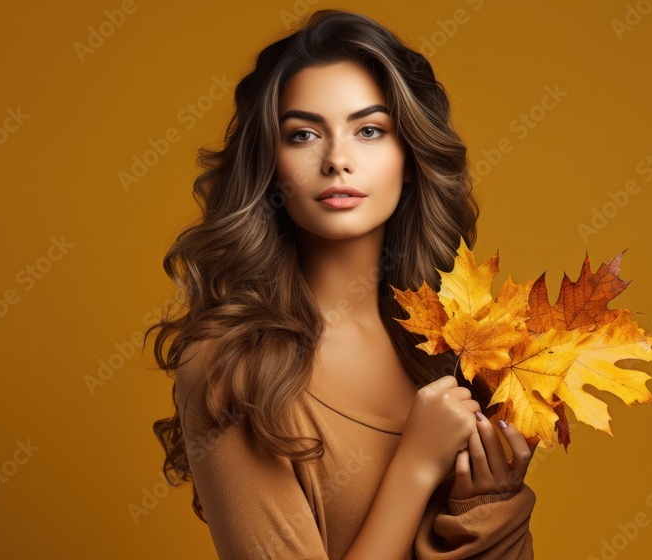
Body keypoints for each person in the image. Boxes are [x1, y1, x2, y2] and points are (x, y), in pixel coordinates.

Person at [146, 9, 540, 560]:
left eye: (370, 130)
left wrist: (488, 505)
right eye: (304, 134)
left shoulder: (460, 349)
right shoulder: (232, 369)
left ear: (409, 158)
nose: (337, 160)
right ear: (270, 164)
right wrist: (416, 466)